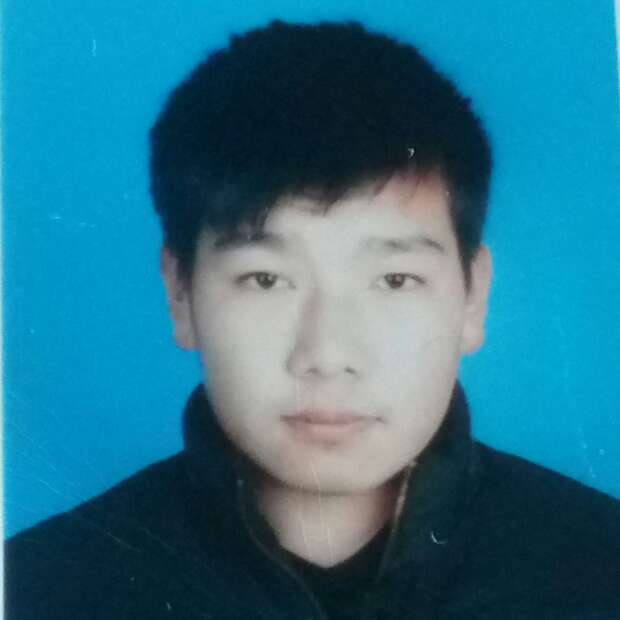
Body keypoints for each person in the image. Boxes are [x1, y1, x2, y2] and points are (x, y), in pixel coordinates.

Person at [5, 20, 620, 620]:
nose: (327, 354)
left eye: (394, 280)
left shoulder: (601, 571)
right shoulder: (36, 589)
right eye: (265, 279)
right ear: (181, 294)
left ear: (473, 297)